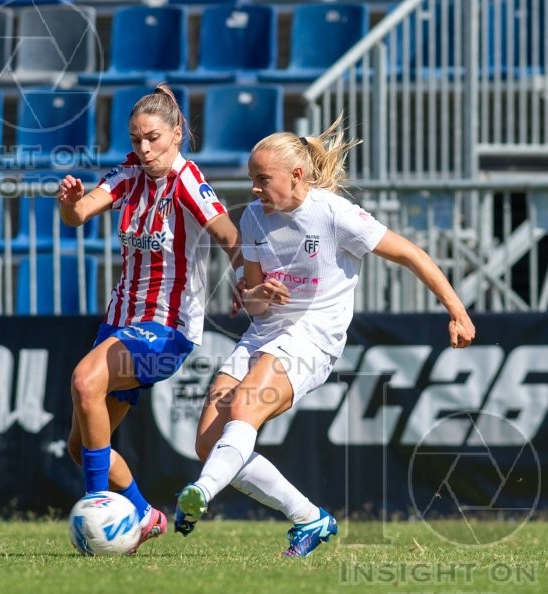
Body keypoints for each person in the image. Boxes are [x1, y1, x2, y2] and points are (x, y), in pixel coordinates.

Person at [174, 119, 476, 557]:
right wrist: (258, 293)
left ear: (296, 176)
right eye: (251, 180)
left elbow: (410, 254)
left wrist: (458, 311)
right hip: (266, 331)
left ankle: (201, 493)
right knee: (208, 443)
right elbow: (255, 302)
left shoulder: (333, 214)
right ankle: (309, 518)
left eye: (263, 180)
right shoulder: (256, 216)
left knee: (244, 407)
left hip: (314, 337)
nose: (255, 189)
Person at [58, 85, 241, 552]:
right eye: (137, 139)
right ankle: (144, 513)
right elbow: (79, 215)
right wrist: (70, 202)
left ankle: (97, 506)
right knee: (81, 446)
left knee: (84, 381)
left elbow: (226, 232)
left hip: (167, 330)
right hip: (120, 324)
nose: (145, 149)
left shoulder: (186, 180)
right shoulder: (128, 172)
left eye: (154, 138)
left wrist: (246, 279)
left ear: (177, 134)